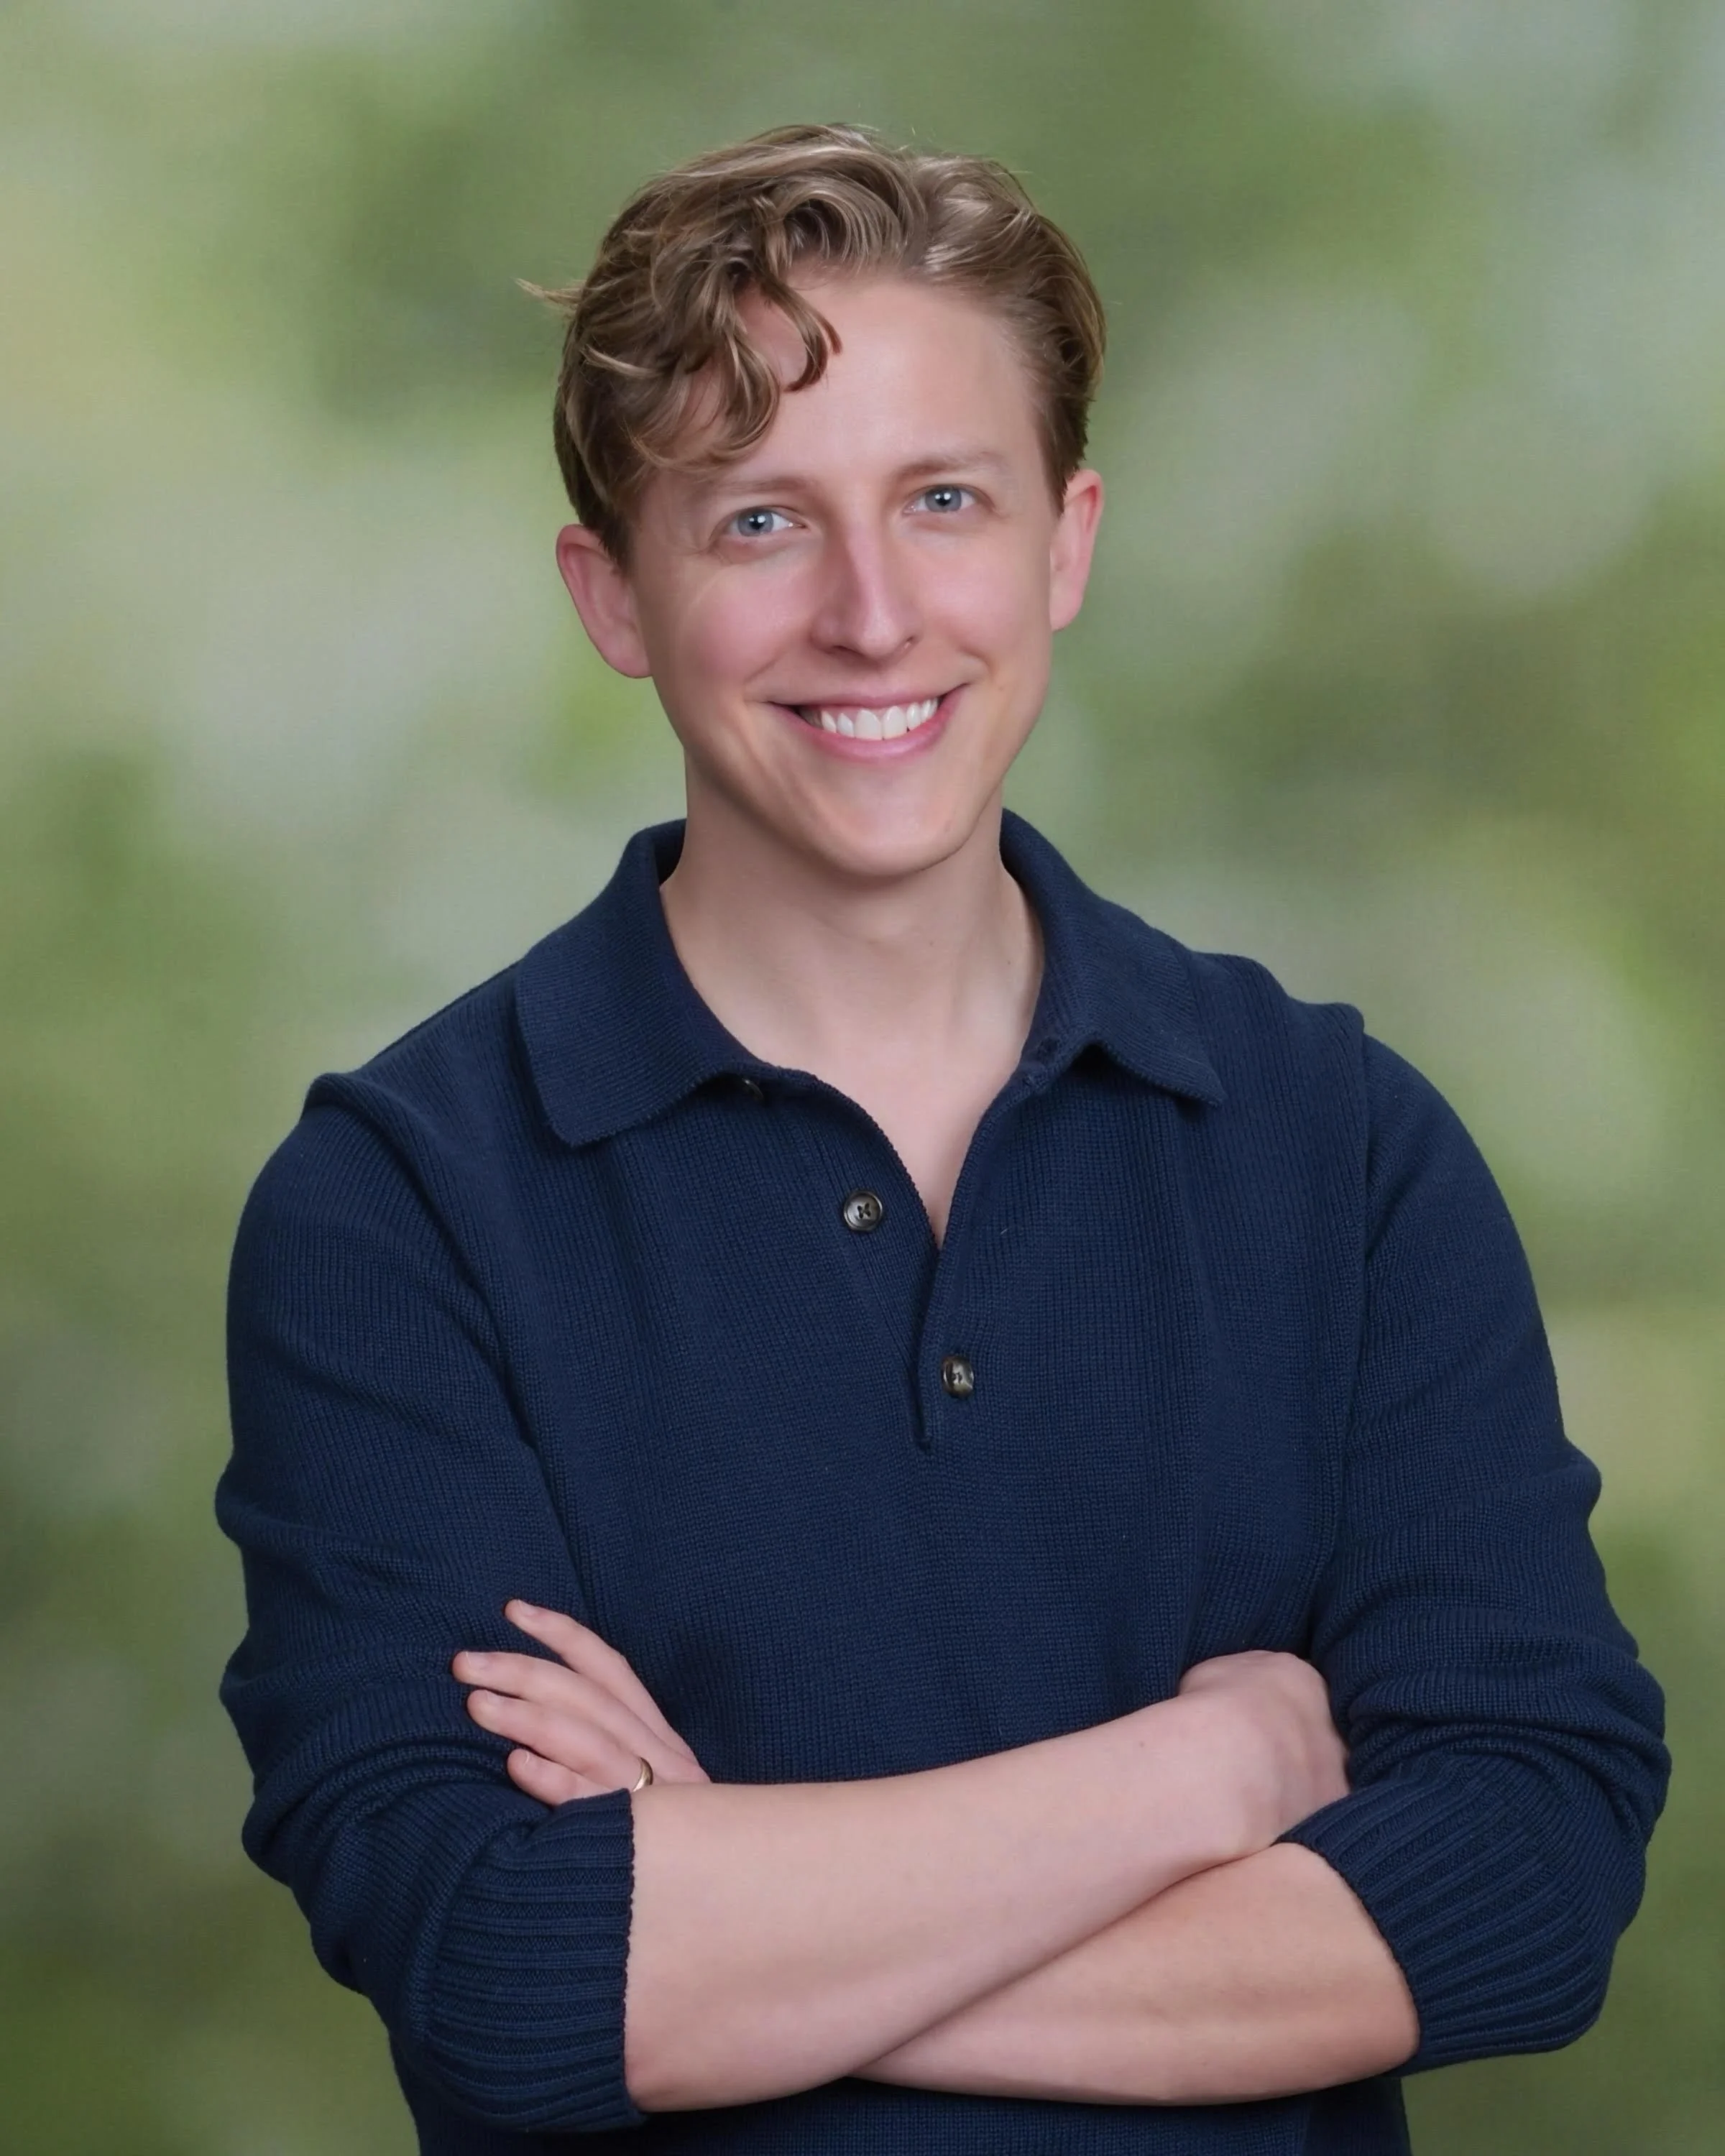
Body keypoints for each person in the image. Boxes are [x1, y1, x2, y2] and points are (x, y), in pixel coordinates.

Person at [217, 124, 1669, 2154]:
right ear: (614, 595)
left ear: (1065, 544)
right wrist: (1198, 1784)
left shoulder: (1342, 1152)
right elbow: (505, 1975)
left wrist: (739, 1902)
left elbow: (1519, 1892)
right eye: (756, 526)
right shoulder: (404, 1207)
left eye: (946, 500)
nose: (875, 614)